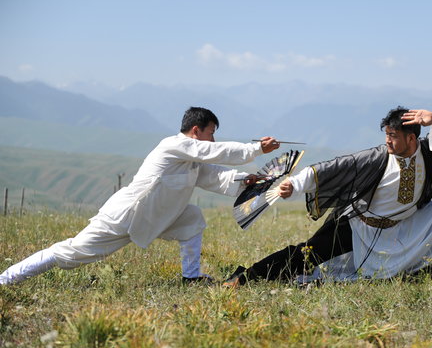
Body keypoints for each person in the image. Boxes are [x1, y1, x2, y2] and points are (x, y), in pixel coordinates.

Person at [0, 107, 280, 285]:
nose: (213, 140)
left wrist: (248, 179)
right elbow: (212, 153)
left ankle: (190, 276)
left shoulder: (191, 157)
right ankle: (6, 279)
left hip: (160, 214)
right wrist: (254, 149)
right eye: (211, 133)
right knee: (71, 252)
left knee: (193, 218)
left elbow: (213, 175)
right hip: (127, 215)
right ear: (196, 131)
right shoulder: (174, 145)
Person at [224, 107, 432, 286]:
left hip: (406, 223)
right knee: (308, 254)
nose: (387, 140)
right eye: (387, 134)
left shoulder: (429, 150)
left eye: (393, 135)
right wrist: (293, 185)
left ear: (411, 138)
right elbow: (328, 169)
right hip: (363, 226)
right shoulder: (375, 158)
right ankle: (247, 278)